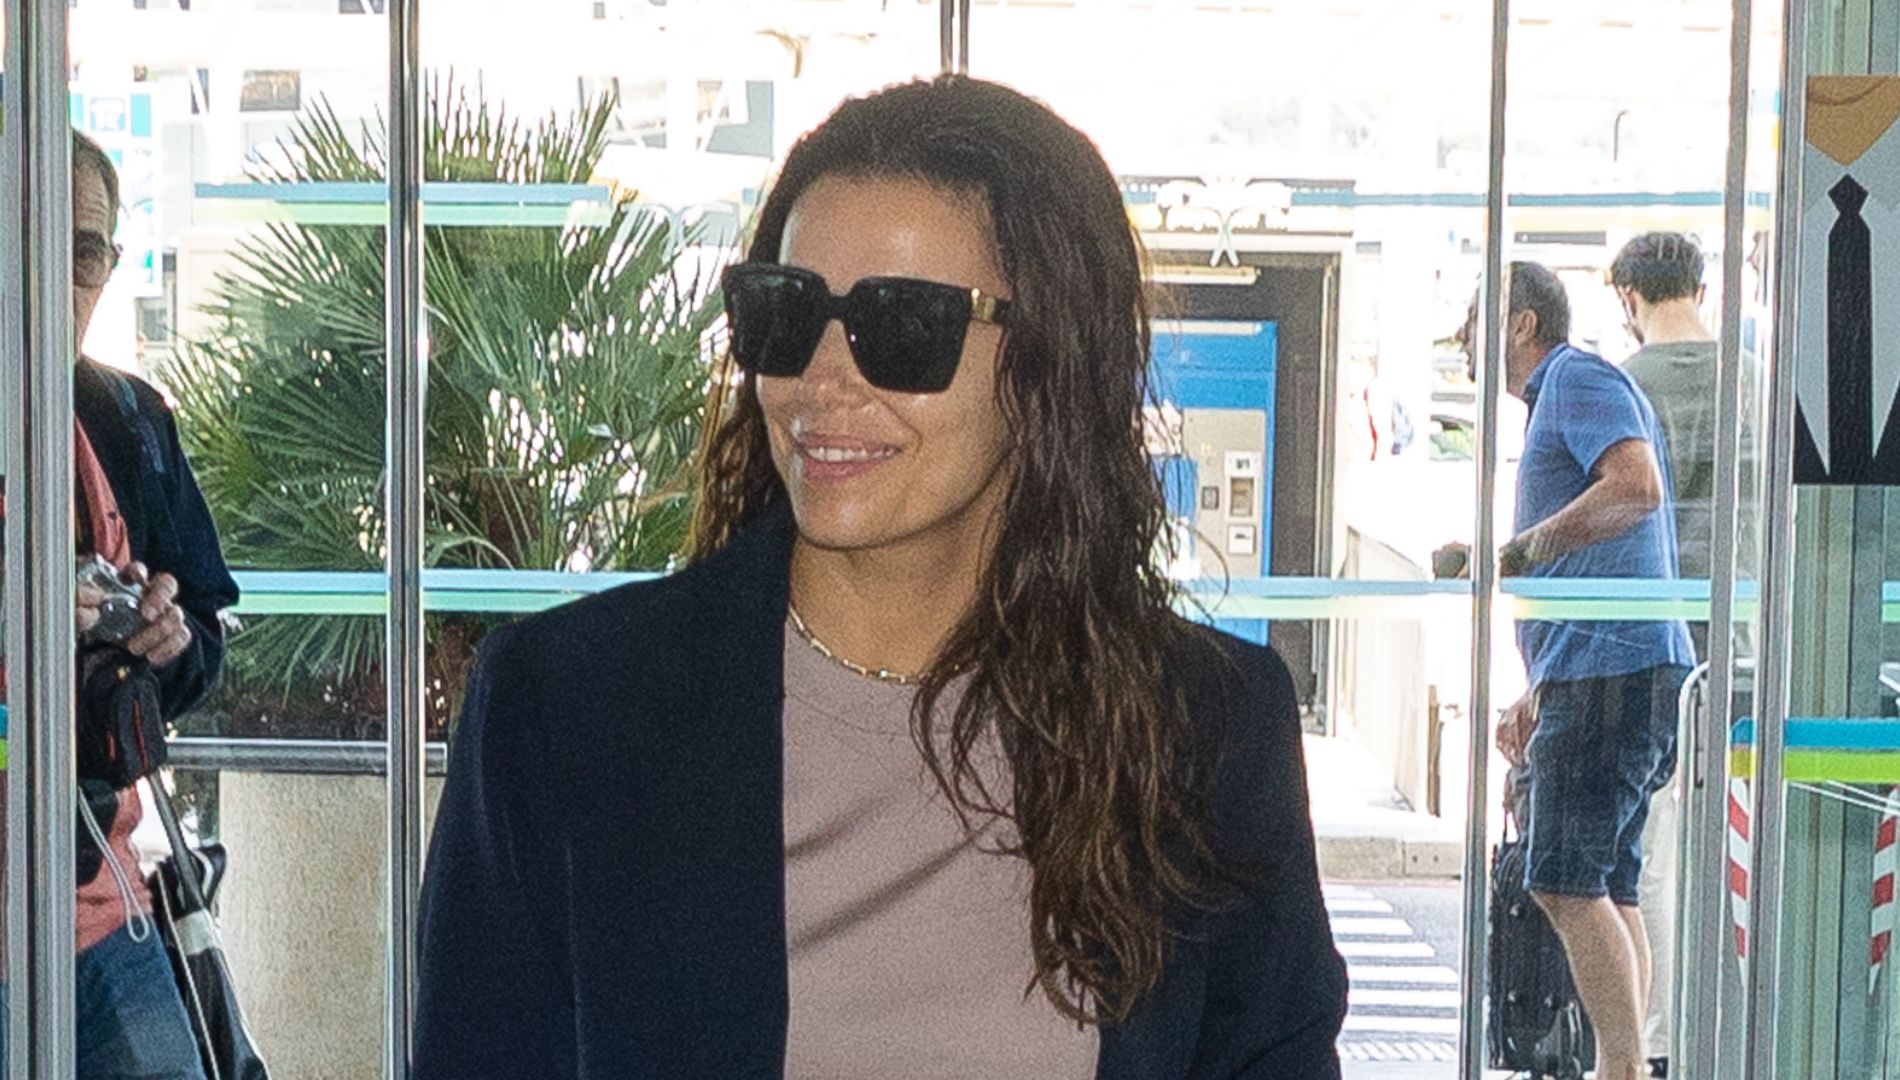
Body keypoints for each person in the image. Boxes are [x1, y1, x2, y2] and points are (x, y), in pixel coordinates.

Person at [414, 76, 1347, 1079]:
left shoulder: (1202, 732)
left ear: (1048, 360)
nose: (821, 380)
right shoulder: (567, 709)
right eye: (783, 312)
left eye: (903, 324)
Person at [0, 132, 240, 1076]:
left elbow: (205, 626)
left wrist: (164, 641)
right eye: (27, 239)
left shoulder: (128, 422)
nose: (56, 280)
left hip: (101, 910)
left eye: (84, 251)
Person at [1439, 262, 1693, 1080]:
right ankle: (1627, 1064)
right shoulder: (1568, 394)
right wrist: (1538, 688)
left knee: (1563, 881)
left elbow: (1635, 488)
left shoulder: (1575, 379)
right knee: (1608, 885)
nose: (1463, 342)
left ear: (1521, 324)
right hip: (1613, 670)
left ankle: (1621, 1068)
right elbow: (1610, 557)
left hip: (1611, 674)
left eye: (1474, 323)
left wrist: (1515, 553)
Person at [1611, 231, 1758, 1078]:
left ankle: (1660, 1044)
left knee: (1651, 858)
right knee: (1730, 856)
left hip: (1658, 648)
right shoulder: (1755, 380)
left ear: (1629, 298)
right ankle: (1727, 1035)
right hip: (1746, 648)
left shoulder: (1628, 385)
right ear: (1699, 290)